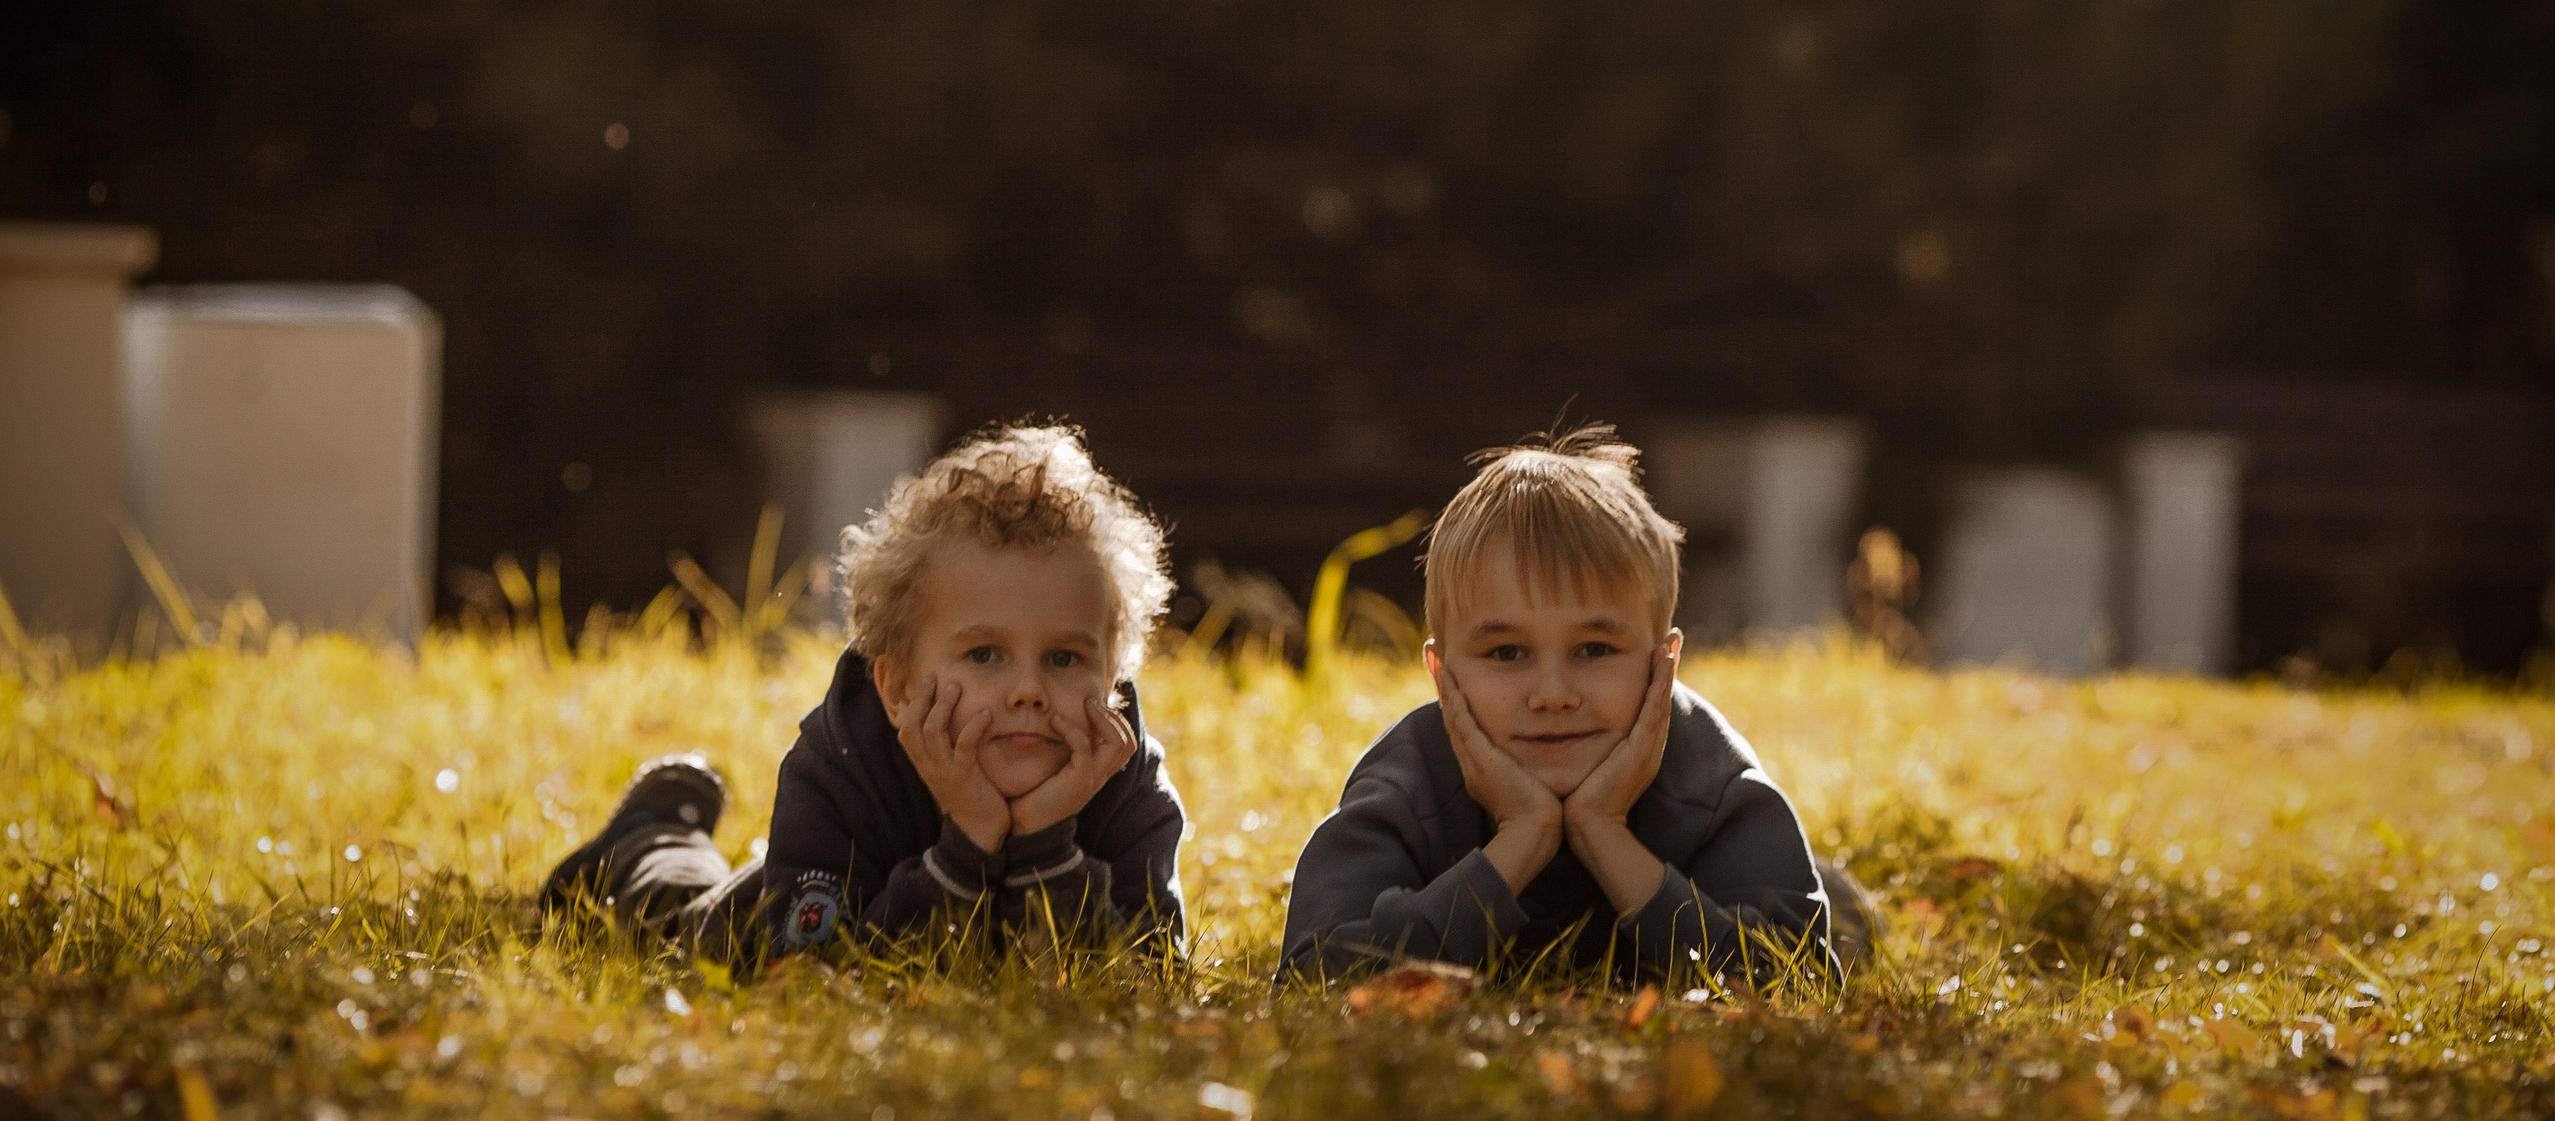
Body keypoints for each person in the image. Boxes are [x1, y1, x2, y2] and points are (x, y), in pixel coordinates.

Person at [542, 423, 1188, 964]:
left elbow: (1145, 972)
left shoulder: (1130, 787)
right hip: (759, 915)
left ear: (1113, 677)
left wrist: (1046, 839)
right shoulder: (841, 763)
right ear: (898, 687)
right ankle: (652, 838)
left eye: (1065, 657)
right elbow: (819, 966)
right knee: (675, 911)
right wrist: (971, 836)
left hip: (871, 884)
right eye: (984, 653)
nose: (1028, 690)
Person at [1281, 425, 1843, 985]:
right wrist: (1521, 839)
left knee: (1840, 912)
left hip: (1777, 893)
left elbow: (1802, 983)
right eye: (1506, 653)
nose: (1553, 695)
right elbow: (1313, 977)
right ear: (1442, 674)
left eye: (1595, 649)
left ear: (1662, 664)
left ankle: (1841, 895)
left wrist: (1606, 833)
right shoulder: (1410, 783)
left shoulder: (1710, 780)